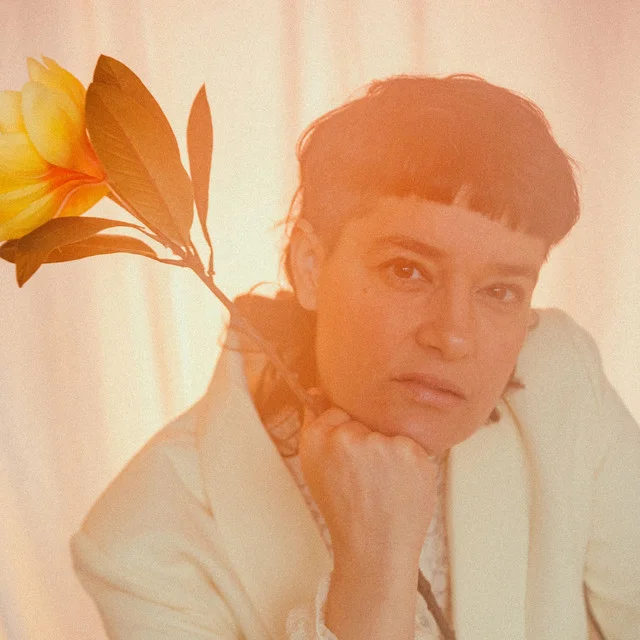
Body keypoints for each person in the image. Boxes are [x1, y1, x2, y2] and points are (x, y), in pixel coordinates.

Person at [71, 74, 640, 640]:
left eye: (500, 290)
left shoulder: (561, 377)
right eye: (408, 270)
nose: (453, 337)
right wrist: (374, 572)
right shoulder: (142, 544)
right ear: (311, 267)